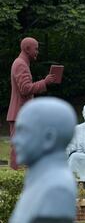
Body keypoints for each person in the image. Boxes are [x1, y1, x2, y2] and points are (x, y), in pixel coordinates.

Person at [8, 97, 79, 223]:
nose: (14, 140)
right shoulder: (40, 182)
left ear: (49, 138)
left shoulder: (56, 189)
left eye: (23, 131)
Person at [7, 37, 56, 170]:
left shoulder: (22, 63)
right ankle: (15, 179)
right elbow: (25, 89)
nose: (37, 52)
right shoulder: (20, 64)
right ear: (27, 49)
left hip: (21, 113)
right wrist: (44, 82)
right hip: (20, 114)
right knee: (18, 148)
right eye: (36, 49)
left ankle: (20, 177)